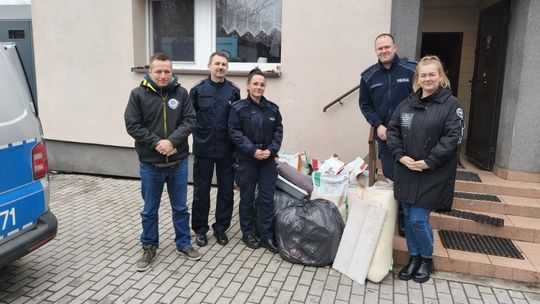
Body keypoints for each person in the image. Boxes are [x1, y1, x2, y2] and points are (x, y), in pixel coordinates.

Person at [387, 55, 464, 283]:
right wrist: (400, 157)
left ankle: (427, 259)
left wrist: (430, 160)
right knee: (409, 217)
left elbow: (453, 137)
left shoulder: (451, 105)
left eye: (432, 74)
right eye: (423, 75)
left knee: (419, 219)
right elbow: (392, 131)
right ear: (417, 78)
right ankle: (413, 258)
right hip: (408, 170)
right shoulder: (408, 104)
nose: (428, 78)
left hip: (433, 172)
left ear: (440, 77)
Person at [125, 53, 201, 272]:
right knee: (149, 210)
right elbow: (132, 125)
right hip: (151, 165)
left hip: (178, 163)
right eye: (158, 71)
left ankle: (183, 244)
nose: (163, 75)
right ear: (150, 71)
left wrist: (173, 142)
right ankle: (149, 246)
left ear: (172, 72)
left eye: (167, 71)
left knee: (180, 208)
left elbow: (190, 120)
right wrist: (159, 143)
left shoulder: (181, 93)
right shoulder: (138, 94)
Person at [359, 33, 416, 236]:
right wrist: (377, 125)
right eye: (380, 48)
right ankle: (399, 212)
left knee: (408, 174)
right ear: (376, 51)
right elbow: (365, 105)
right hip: (384, 134)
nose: (384, 51)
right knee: (392, 174)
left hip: (410, 135)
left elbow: (421, 99)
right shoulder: (368, 76)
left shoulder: (411, 70)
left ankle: (404, 218)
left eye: (387, 47)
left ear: (395, 47)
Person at [228, 68, 283, 253]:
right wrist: (253, 150)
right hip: (247, 160)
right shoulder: (238, 108)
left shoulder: (272, 109)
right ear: (248, 85)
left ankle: (266, 235)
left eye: (262, 84)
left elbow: (278, 132)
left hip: (267, 160)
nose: (259, 87)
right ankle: (248, 233)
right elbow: (234, 132)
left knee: (267, 199)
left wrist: (271, 150)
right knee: (247, 198)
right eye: (255, 84)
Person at [190, 52, 241, 247]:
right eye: (217, 64)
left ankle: (221, 229)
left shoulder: (233, 91)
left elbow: (236, 120)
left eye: (224, 64)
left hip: (226, 150)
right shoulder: (197, 90)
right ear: (209, 66)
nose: (220, 67)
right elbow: (190, 118)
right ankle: (200, 230)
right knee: (201, 192)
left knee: (226, 191)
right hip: (203, 149)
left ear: (227, 68)